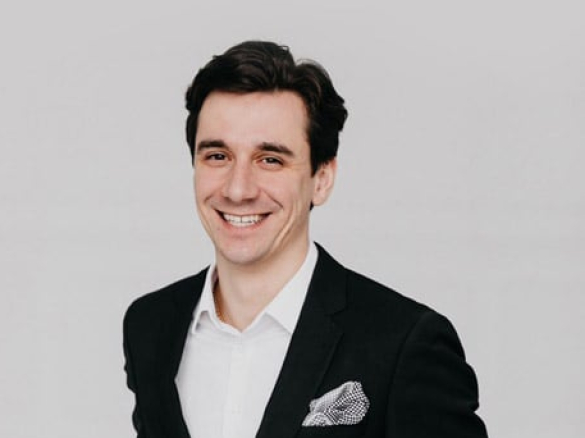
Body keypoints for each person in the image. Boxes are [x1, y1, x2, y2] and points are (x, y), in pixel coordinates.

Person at [123, 40, 488, 438]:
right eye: (217, 156)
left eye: (270, 160)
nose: (238, 189)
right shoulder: (150, 326)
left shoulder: (403, 343)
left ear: (322, 179)